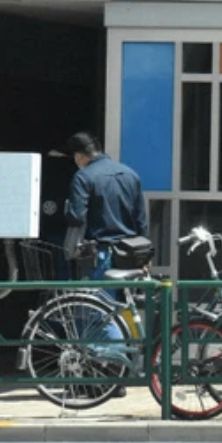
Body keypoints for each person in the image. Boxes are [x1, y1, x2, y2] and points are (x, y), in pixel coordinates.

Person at [61, 131, 149, 377]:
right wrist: (146, 256)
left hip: (101, 255)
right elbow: (141, 220)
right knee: (122, 312)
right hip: (131, 254)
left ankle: (113, 372)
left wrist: (65, 211)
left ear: (80, 156)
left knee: (98, 315)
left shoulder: (83, 176)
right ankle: (116, 370)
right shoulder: (129, 174)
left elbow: (77, 216)